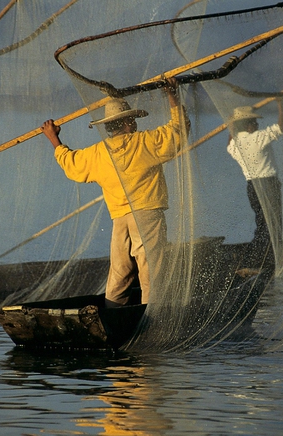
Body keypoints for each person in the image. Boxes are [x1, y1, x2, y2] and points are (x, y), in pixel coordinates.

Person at [41, 78, 187, 307]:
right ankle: (150, 316)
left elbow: (71, 164)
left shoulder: (98, 153)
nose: (134, 124)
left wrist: (53, 138)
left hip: (120, 219)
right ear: (127, 122)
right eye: (132, 120)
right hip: (146, 215)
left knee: (120, 272)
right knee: (151, 271)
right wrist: (172, 96)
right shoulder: (145, 142)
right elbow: (178, 130)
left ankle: (112, 311)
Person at [226, 100, 283, 255]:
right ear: (248, 125)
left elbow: (230, 141)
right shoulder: (258, 138)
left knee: (262, 221)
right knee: (273, 222)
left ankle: (260, 252)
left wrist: (231, 126)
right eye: (254, 122)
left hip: (252, 187)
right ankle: (271, 254)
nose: (257, 125)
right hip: (268, 184)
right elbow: (282, 127)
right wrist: (281, 105)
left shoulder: (235, 145)